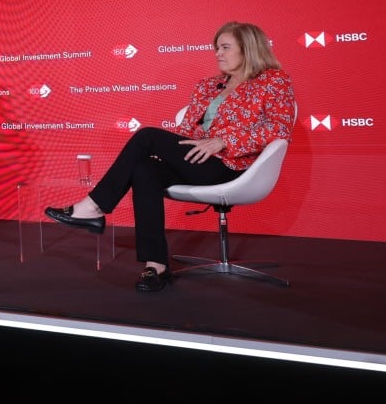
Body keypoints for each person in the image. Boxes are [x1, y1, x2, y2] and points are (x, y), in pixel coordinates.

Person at [45, 21, 296, 291]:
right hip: (196, 160)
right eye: (216, 48)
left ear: (248, 49)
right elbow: (185, 131)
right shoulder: (208, 86)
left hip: (230, 165)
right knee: (144, 168)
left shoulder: (272, 80)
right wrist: (170, 154)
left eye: (225, 47)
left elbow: (278, 128)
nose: (218, 54)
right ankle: (157, 266)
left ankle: (94, 206)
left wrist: (223, 141)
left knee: (147, 136)